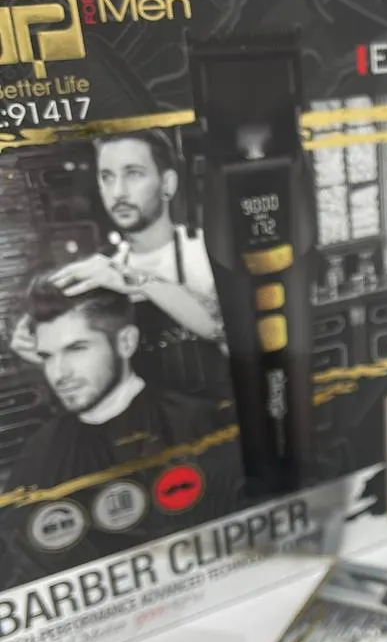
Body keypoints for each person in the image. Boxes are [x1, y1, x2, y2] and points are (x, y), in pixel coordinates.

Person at [10, 130, 230, 398]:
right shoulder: (102, 274)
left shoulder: (207, 252)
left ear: (167, 184)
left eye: (133, 174)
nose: (118, 192)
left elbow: (226, 333)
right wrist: (42, 351)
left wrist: (136, 281)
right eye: (107, 177)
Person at [4, 275, 223, 492]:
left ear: (126, 342)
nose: (58, 374)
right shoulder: (41, 451)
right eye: (47, 356)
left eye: (76, 349)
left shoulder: (195, 422)